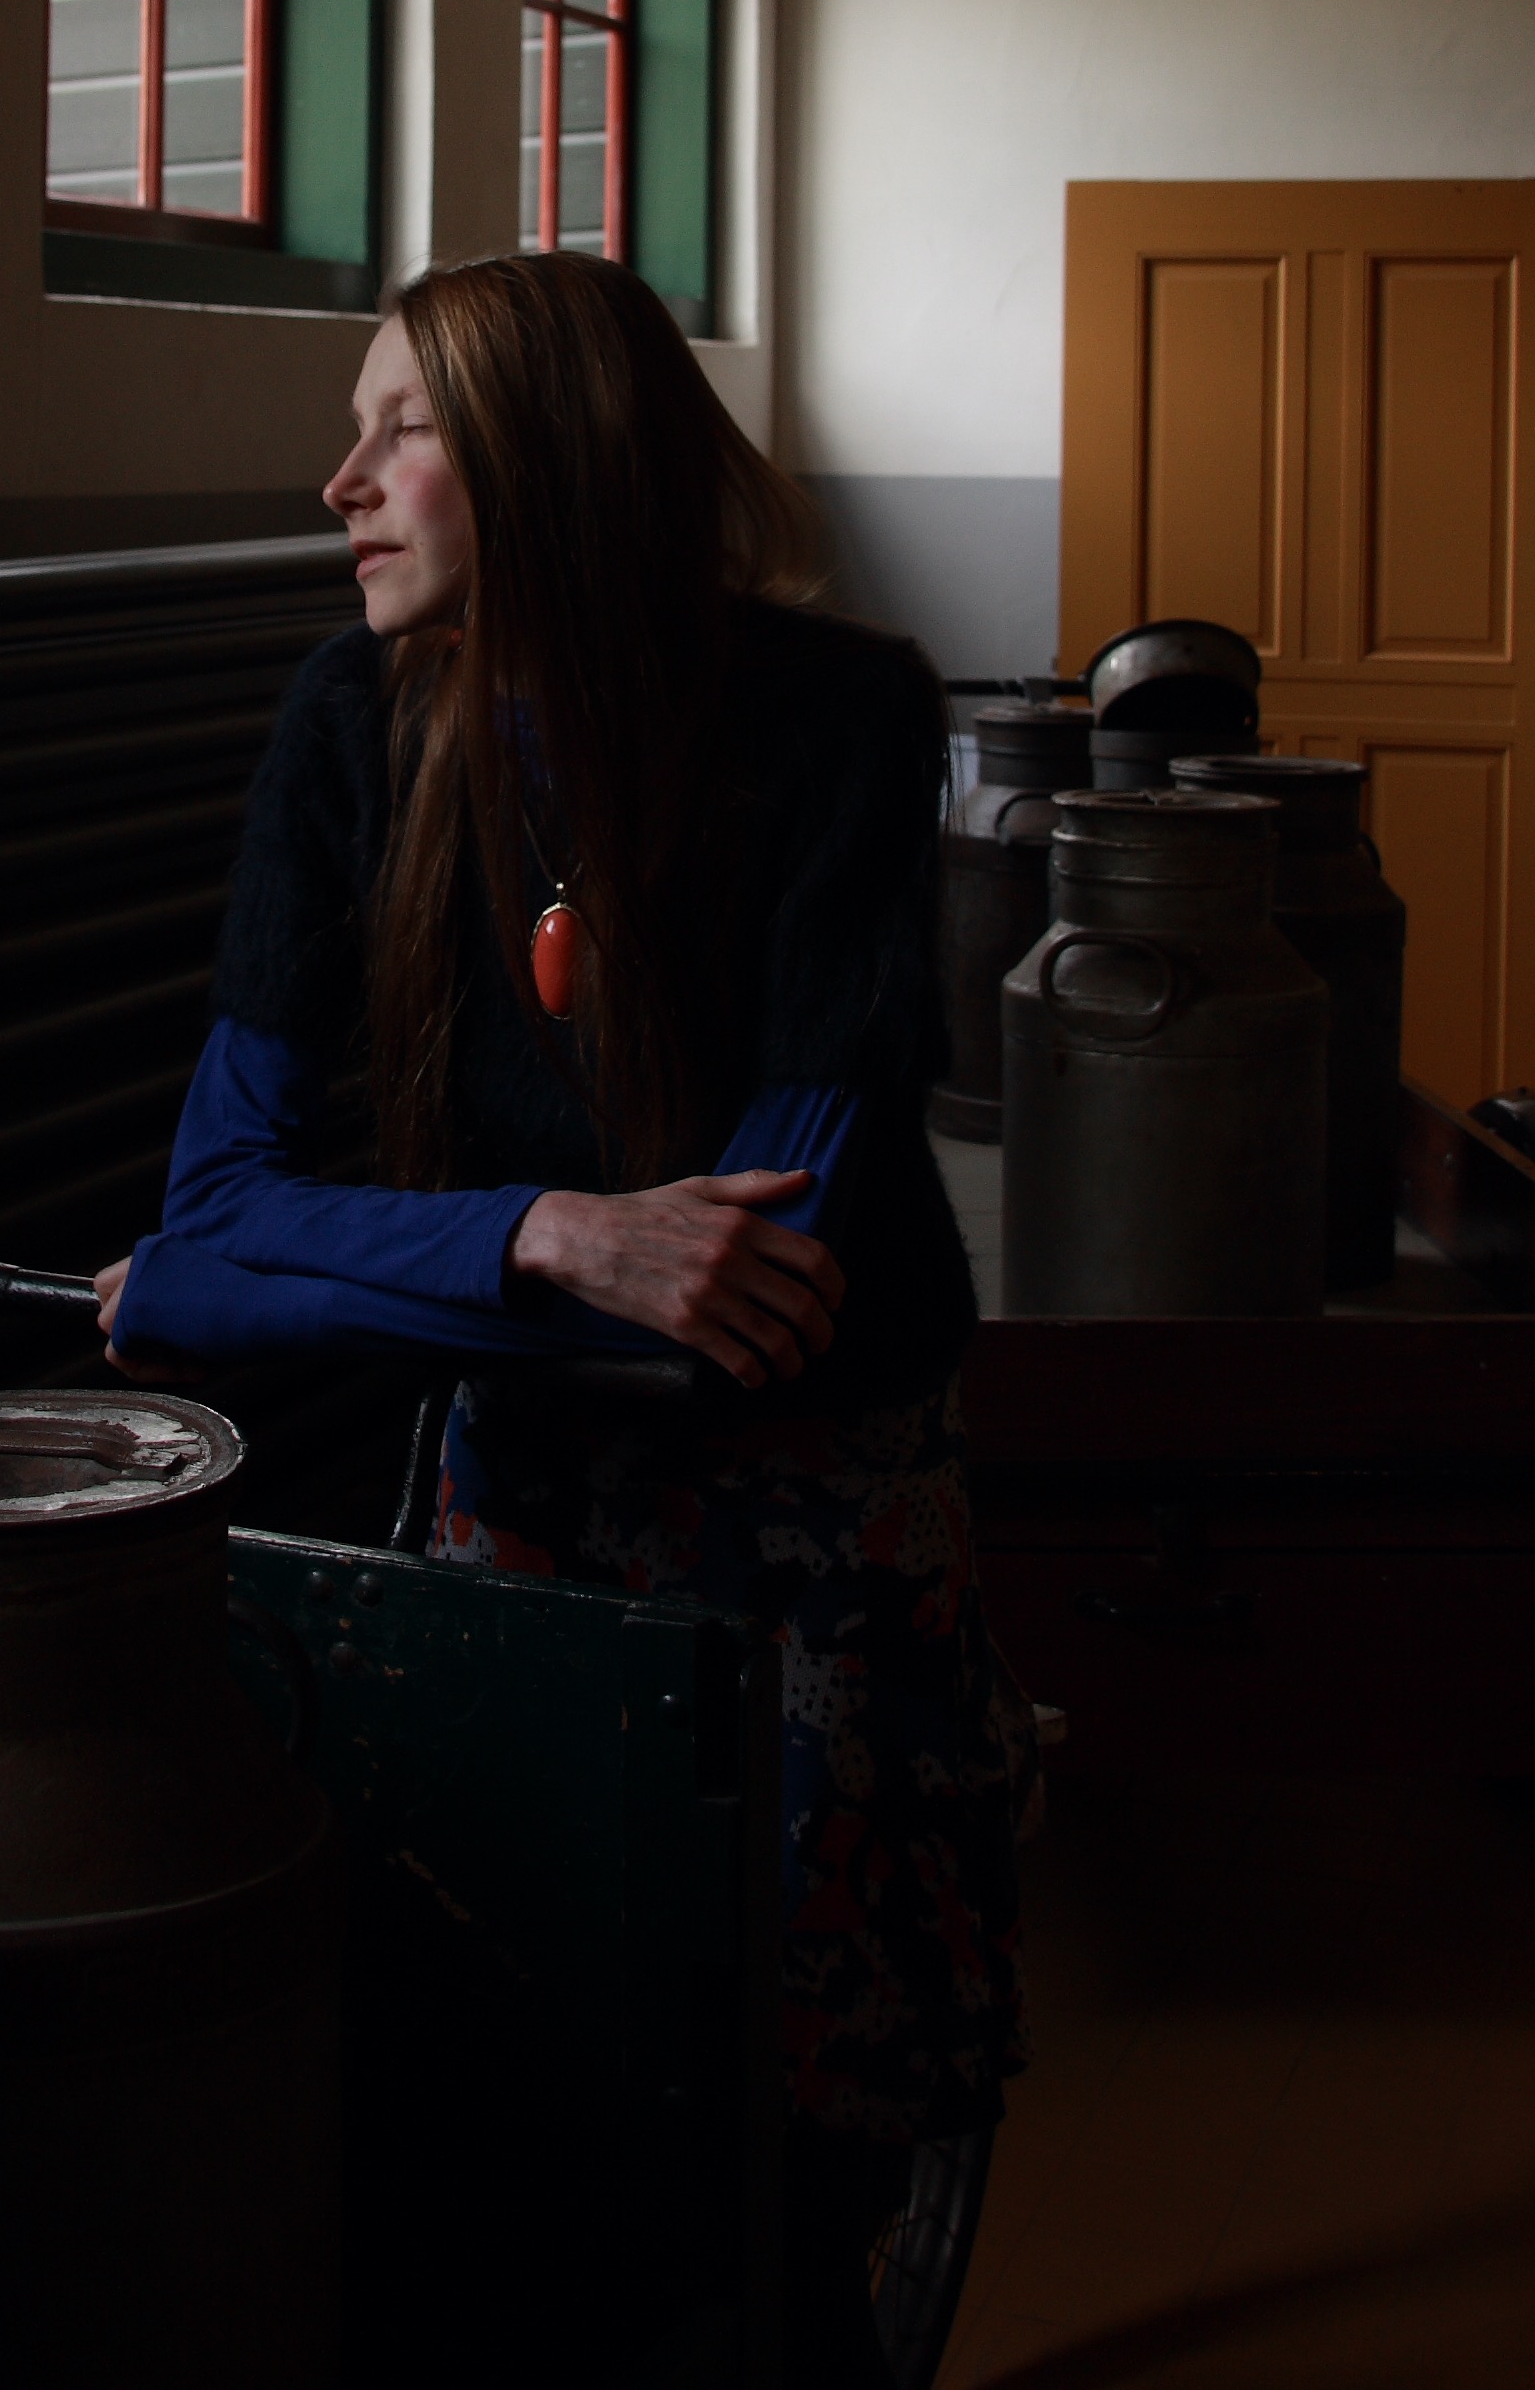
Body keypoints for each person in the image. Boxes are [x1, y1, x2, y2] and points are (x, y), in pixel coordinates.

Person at [93, 252, 1027, 2379]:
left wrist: (311, 1288)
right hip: (516, 1492)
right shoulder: (349, 724)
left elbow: (742, 1291)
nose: (340, 482)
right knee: (499, 2086)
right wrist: (545, 1238)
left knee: (791, 2149)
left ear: (557, 458)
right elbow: (204, 1217)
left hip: (809, 1515)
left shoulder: (839, 717)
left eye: (402, 429)